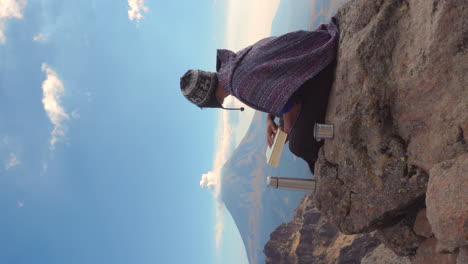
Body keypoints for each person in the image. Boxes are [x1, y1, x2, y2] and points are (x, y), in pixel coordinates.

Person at [180, 18, 339, 173]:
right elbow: (279, 83)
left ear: (206, 100)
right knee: (289, 125)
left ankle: (334, 168)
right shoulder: (234, 66)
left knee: (298, 145)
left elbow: (292, 105)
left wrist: (288, 130)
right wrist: (270, 118)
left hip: (318, 68)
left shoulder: (239, 86)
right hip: (314, 50)